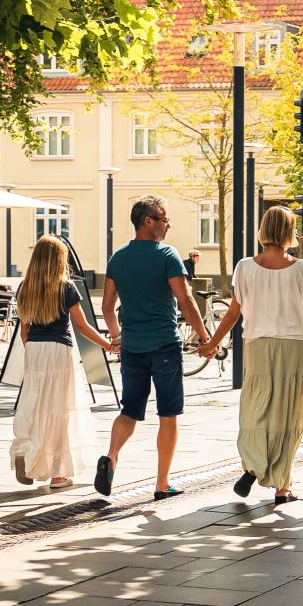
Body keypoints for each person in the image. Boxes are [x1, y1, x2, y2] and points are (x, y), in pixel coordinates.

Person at [199, 206, 303, 504]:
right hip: (293, 346)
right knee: (289, 413)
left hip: (257, 345)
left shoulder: (245, 266)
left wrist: (212, 343)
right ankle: (282, 485)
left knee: (256, 407)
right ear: (289, 231)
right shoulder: (301, 268)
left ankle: (253, 465)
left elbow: (233, 312)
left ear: (263, 229)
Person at [96, 195, 213, 501]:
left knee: (130, 410)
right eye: (163, 219)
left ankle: (111, 457)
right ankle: (162, 483)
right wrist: (204, 337)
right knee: (168, 414)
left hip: (132, 348)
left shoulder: (117, 258)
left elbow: (107, 306)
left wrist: (117, 335)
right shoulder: (166, 255)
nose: (167, 225)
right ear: (147, 221)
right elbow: (185, 300)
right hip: (164, 346)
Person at [10, 236, 113, 489]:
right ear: (59, 260)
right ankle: (57, 474)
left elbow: (24, 331)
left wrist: (35, 352)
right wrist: (108, 344)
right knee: (60, 411)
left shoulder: (25, 287)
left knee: (35, 406)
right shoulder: (65, 287)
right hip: (59, 351)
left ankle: (26, 451)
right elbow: (83, 326)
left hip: (34, 350)